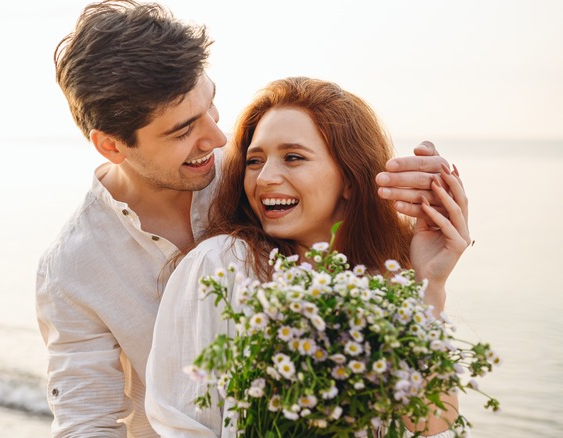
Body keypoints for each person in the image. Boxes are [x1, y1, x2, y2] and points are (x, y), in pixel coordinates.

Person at [36, 1, 458, 436]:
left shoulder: (256, 178)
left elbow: (422, 415)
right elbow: (87, 421)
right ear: (112, 146)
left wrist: (407, 205)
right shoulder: (73, 268)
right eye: (183, 130)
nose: (218, 138)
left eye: (211, 105)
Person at [145, 77, 470, 437]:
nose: (265, 178)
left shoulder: (383, 283)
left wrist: (430, 283)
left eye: (293, 157)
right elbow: (180, 422)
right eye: (254, 161)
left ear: (349, 176)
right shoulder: (223, 264)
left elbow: (430, 420)